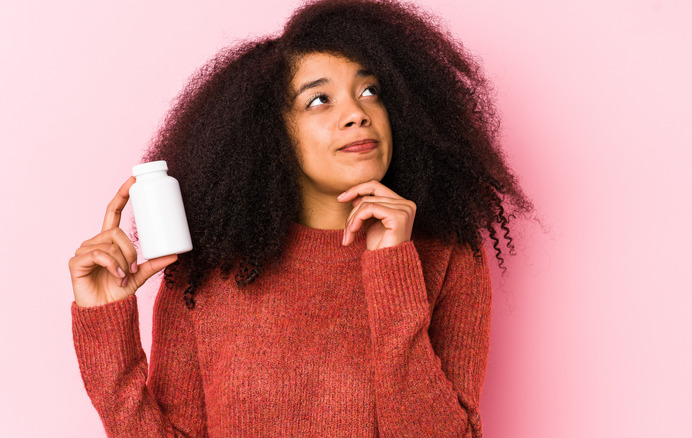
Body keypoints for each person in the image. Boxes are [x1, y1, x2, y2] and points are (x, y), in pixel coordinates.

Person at [68, 0, 535, 436]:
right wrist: (105, 322)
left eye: (370, 91)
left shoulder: (449, 255)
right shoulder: (207, 270)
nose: (357, 114)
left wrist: (392, 267)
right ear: (274, 133)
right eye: (319, 100)